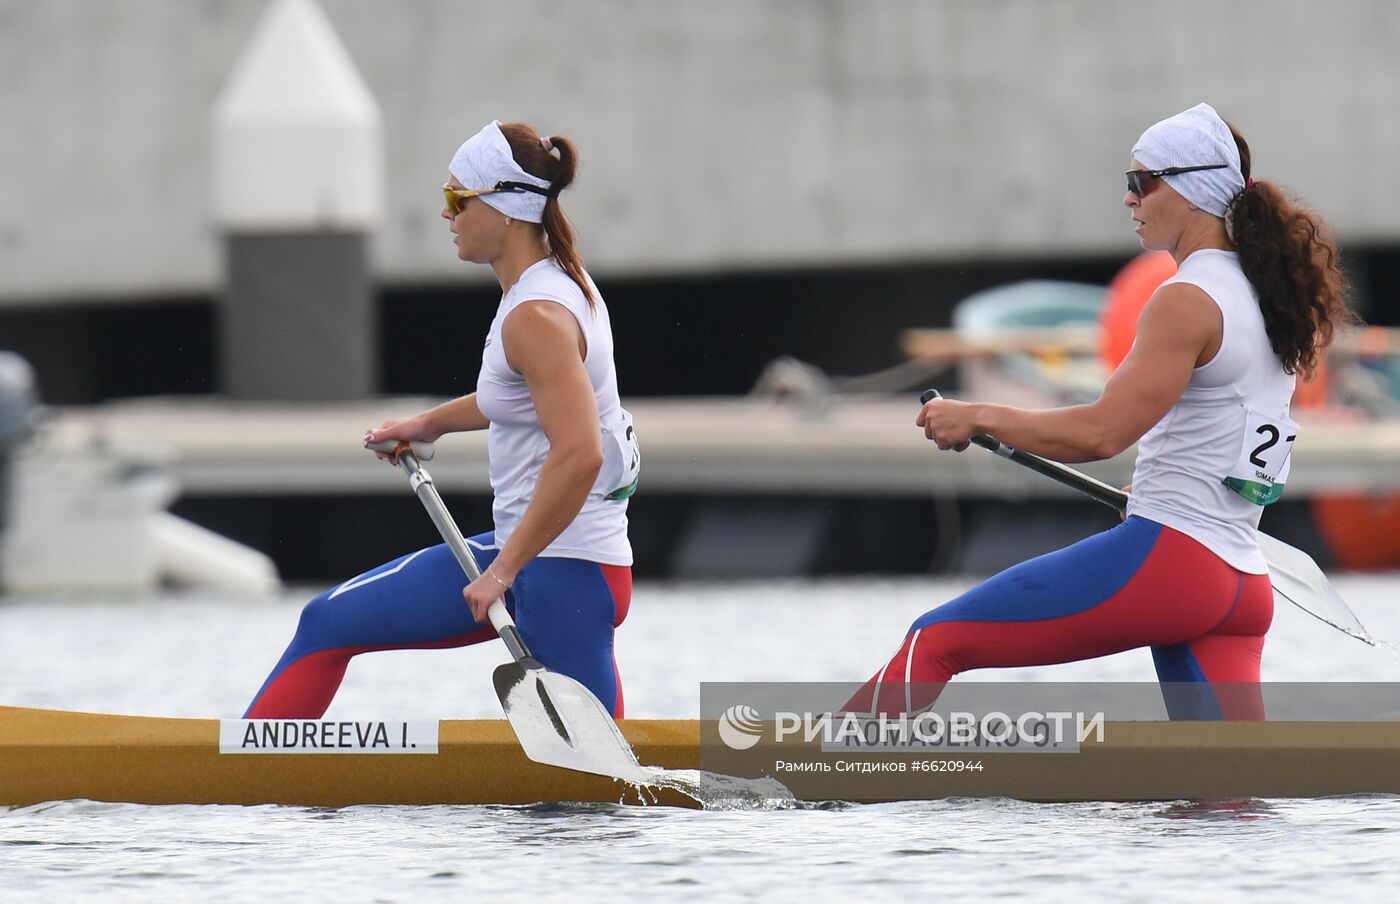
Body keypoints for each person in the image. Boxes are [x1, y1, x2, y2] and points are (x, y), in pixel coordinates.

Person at [847, 103, 1352, 720]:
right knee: (1225, 797)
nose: (1129, 199)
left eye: (1141, 182)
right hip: (1241, 584)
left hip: (1175, 564)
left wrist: (977, 415)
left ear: (1191, 189)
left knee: (935, 641)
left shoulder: (1188, 298)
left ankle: (816, 775)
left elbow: (1101, 433)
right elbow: (1230, 430)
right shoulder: (1266, 296)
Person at [244, 120, 640, 719]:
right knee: (326, 622)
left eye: (459, 199)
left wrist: (503, 573)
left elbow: (580, 452)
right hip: (533, 560)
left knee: (598, 794)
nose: (446, 214)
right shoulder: (555, 284)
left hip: (564, 577)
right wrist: (431, 423)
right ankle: (250, 779)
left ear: (505, 208)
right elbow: (523, 398)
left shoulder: (535, 316)